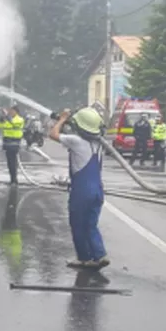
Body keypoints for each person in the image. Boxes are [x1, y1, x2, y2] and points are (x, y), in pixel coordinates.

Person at [48, 107, 110, 270]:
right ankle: (100, 255)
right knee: (91, 224)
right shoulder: (99, 144)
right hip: (97, 190)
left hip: (82, 191)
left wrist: (61, 119)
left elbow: (53, 134)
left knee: (77, 224)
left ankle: (84, 258)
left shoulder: (76, 141)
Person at [0, 105, 26, 185]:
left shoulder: (19, 119)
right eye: (10, 111)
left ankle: (14, 180)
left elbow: (14, 124)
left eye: (12, 111)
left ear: (16, 111)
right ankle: (12, 179)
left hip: (14, 143)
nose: (10, 112)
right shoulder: (7, 119)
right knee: (9, 162)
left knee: (13, 162)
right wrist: (1, 119)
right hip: (7, 144)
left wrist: (6, 116)